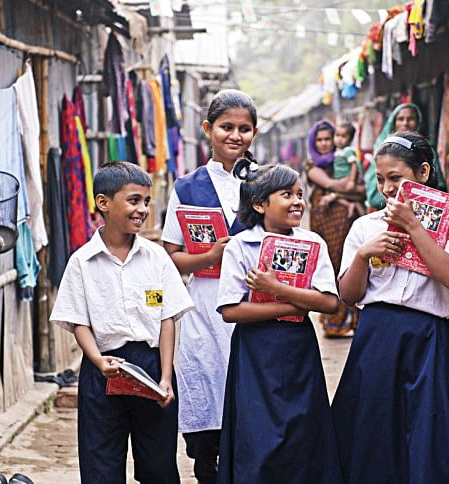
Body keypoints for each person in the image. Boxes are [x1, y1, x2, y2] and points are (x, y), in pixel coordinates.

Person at [332, 131, 449, 483]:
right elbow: (348, 295)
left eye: (396, 177)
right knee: (375, 428)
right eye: (380, 179)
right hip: (377, 335)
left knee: (427, 428)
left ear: (423, 172)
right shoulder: (366, 227)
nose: (387, 188)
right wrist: (364, 255)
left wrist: (413, 226)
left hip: (427, 336)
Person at [50, 162, 194, 484]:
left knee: (159, 465)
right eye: (133, 200)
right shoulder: (82, 262)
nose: (143, 209)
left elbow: (167, 319)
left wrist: (165, 377)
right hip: (103, 369)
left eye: (146, 201)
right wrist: (98, 360)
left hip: (152, 368)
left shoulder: (157, 258)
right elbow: (79, 322)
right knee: (101, 464)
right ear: (103, 203)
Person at [216, 160, 342, 484]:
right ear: (260, 204)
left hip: (299, 347)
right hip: (256, 349)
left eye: (300, 194)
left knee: (303, 428)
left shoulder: (313, 242)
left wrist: (277, 289)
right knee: (257, 431)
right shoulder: (240, 246)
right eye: (287, 194)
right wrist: (293, 303)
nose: (298, 202)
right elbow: (230, 309)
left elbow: (330, 302)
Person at [161, 89, 257, 483]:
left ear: (254, 133)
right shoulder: (187, 187)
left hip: (254, 301)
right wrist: (210, 257)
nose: (235, 135)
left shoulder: (266, 181)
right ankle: (206, 464)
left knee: (249, 389)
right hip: (204, 302)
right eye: (226, 127)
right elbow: (171, 255)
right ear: (207, 129)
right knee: (205, 378)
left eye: (244, 129)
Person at [305, 120, 366, 337]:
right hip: (324, 220)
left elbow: (361, 190)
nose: (324, 143)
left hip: (347, 220)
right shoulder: (311, 165)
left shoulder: (343, 159)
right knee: (328, 265)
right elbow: (332, 184)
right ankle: (334, 322)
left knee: (349, 263)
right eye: (319, 140)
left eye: (327, 139)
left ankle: (354, 320)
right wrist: (345, 190)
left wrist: (341, 193)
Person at [364, 103, 448, 210]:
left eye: (410, 119)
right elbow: (373, 197)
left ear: (424, 171)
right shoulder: (383, 149)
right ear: (393, 122)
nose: (405, 123)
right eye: (400, 119)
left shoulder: (426, 149)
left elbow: (440, 187)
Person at [331, 123, 365, 219]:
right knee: (351, 200)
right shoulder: (338, 151)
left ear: (350, 139)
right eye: (337, 135)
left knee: (335, 194)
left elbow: (354, 165)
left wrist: (352, 181)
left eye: (343, 136)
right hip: (340, 179)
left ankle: (363, 216)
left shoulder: (347, 151)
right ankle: (352, 206)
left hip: (346, 179)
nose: (339, 139)